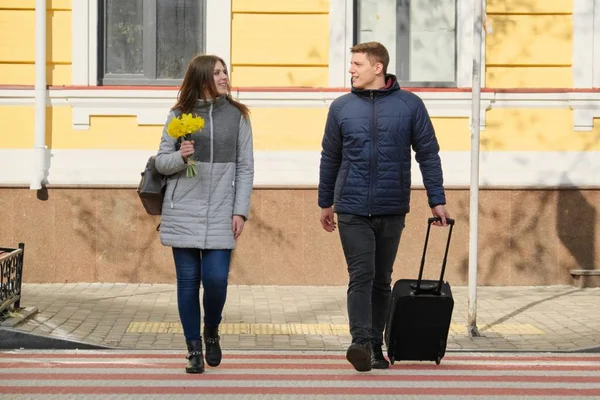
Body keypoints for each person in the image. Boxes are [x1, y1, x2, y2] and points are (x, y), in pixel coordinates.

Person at [318, 42, 450, 372]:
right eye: (351, 63)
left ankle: (376, 345)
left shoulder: (410, 106)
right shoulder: (341, 108)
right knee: (360, 275)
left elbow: (428, 154)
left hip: (392, 207)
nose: (351, 69)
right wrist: (325, 202)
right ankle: (360, 341)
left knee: (381, 279)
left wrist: (437, 200)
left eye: (357, 64)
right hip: (351, 207)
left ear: (378, 68)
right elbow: (330, 157)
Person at [155, 54, 254, 374]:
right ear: (202, 78)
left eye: (226, 70)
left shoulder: (238, 116)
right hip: (183, 208)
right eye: (217, 72)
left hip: (222, 210)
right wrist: (181, 158)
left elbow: (246, 167)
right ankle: (193, 349)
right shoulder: (178, 114)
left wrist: (240, 211)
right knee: (187, 282)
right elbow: (161, 162)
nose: (225, 76)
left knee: (215, 281)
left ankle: (211, 330)